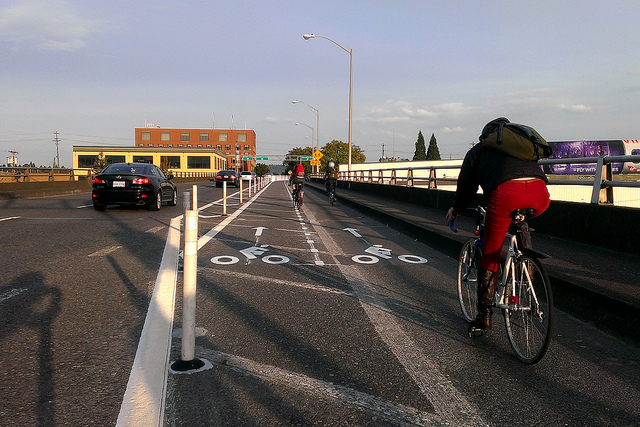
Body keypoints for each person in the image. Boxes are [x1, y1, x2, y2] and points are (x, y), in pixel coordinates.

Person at [445, 120, 551, 333]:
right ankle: (526, 270)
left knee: (491, 254)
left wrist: (456, 209)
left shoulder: (478, 150)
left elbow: (466, 187)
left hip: (506, 195)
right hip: (540, 194)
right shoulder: (521, 145)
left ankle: (483, 316)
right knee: (519, 222)